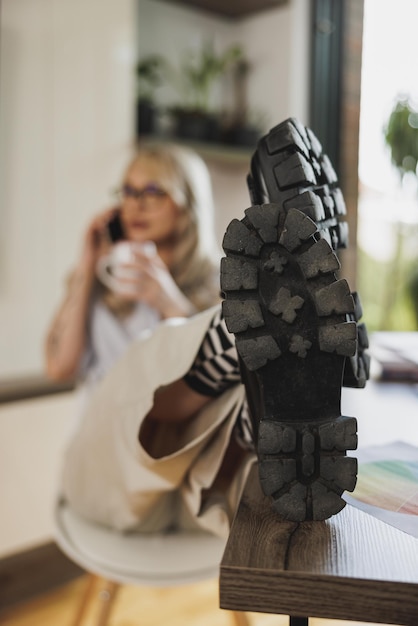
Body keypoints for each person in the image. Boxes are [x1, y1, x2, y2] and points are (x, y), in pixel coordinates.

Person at [47, 119, 369, 537]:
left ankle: (260, 403)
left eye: (153, 191)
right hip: (108, 469)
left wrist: (167, 300)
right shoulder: (94, 284)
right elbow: (60, 365)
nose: (135, 204)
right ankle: (234, 346)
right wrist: (86, 267)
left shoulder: (211, 283)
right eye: (127, 191)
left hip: (189, 482)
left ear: (186, 205)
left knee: (234, 390)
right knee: (158, 364)